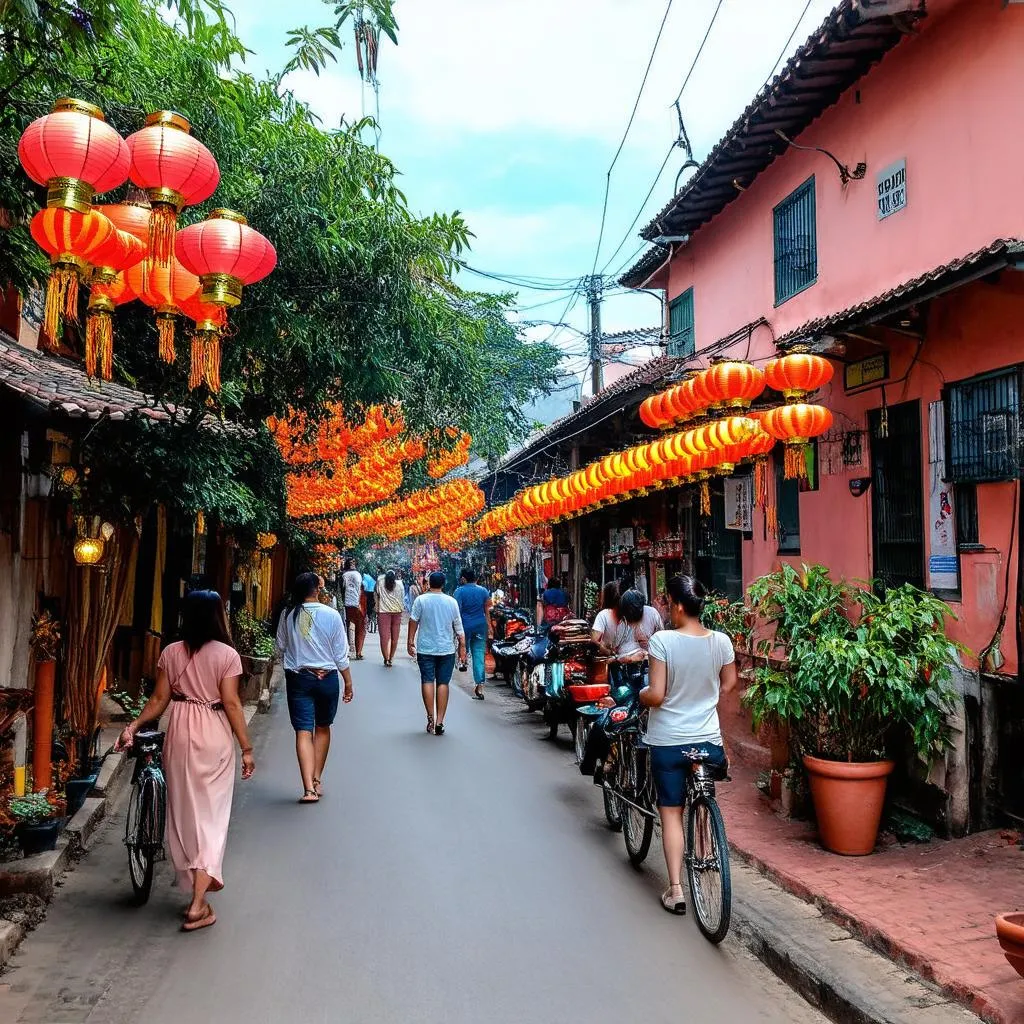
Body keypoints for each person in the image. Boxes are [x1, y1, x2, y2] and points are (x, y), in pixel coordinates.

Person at [116, 590, 254, 933]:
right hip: (213, 732)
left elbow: (160, 699)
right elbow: (232, 704)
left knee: (183, 813)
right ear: (217, 616)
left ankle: (196, 887)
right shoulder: (227, 655)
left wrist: (134, 725)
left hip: (179, 729)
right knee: (212, 814)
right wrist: (247, 748)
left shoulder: (170, 652)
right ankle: (197, 903)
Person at [640, 575, 737, 915]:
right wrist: (703, 698)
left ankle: (677, 889)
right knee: (704, 795)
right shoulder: (721, 642)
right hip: (708, 742)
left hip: (668, 743)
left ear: (679, 606)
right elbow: (729, 684)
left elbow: (656, 694)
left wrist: (640, 695)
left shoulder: (662, 641)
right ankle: (708, 848)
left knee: (671, 813)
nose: (667, 609)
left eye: (668, 603)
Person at [276, 572, 355, 803]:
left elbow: (280, 646)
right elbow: (341, 654)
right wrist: (348, 682)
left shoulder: (288, 614)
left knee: (303, 731)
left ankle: (308, 788)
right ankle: (317, 779)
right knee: (322, 727)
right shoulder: (331, 615)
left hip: (298, 678)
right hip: (327, 678)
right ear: (316, 590)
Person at [407, 570, 466, 736]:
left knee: (427, 680)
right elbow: (459, 629)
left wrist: (410, 641)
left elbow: (413, 621)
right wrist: (462, 648)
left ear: (429, 583)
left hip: (425, 648)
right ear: (443, 584)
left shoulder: (421, 600)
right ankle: (440, 721)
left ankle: (431, 718)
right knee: (443, 683)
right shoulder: (451, 602)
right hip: (446, 649)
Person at [453, 567, 492, 700]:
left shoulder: (459, 591)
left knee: (463, 645)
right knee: (479, 654)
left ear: (463, 578)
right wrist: (490, 627)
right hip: (480, 625)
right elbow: (487, 611)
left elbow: (457, 611)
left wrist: (453, 628)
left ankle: (463, 662)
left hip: (465, 626)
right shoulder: (483, 591)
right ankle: (480, 686)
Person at [376, 568, 405, 667]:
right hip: (397, 612)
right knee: (394, 637)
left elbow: (377, 594)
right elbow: (402, 597)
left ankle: (386, 658)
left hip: (383, 612)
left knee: (384, 637)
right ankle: (391, 658)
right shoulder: (400, 584)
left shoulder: (380, 582)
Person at [341, 558, 365, 659]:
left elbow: (342, 589)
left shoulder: (343, 575)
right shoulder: (358, 575)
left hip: (346, 604)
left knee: (345, 628)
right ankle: (358, 653)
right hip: (356, 604)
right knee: (359, 629)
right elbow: (360, 590)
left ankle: (347, 651)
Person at [362, 566, 377, 634]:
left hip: (368, 594)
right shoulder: (372, 578)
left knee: (368, 611)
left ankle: (369, 626)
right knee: (372, 612)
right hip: (373, 594)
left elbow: (365, 586)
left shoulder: (364, 577)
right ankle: (373, 626)